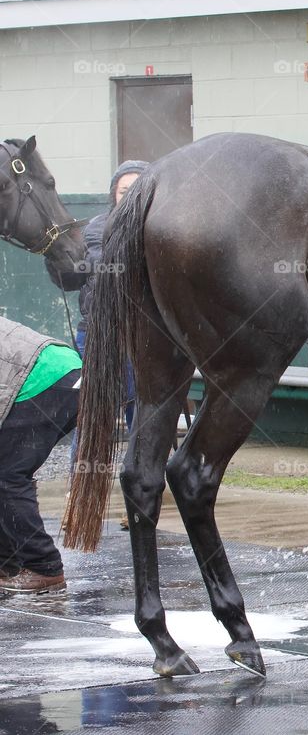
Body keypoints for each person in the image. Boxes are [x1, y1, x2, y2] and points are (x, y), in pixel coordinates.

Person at [0, 316, 81, 594]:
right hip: (64, 370)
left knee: (8, 475)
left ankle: (43, 567)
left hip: (43, 380)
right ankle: (8, 563)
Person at [75, 160, 148, 431]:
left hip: (143, 334)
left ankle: (143, 473)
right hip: (97, 332)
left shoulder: (161, 225)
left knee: (140, 410)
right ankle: (81, 472)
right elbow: (103, 262)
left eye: (137, 189)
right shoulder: (98, 226)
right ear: (113, 194)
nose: (129, 196)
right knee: (93, 414)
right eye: (123, 190)